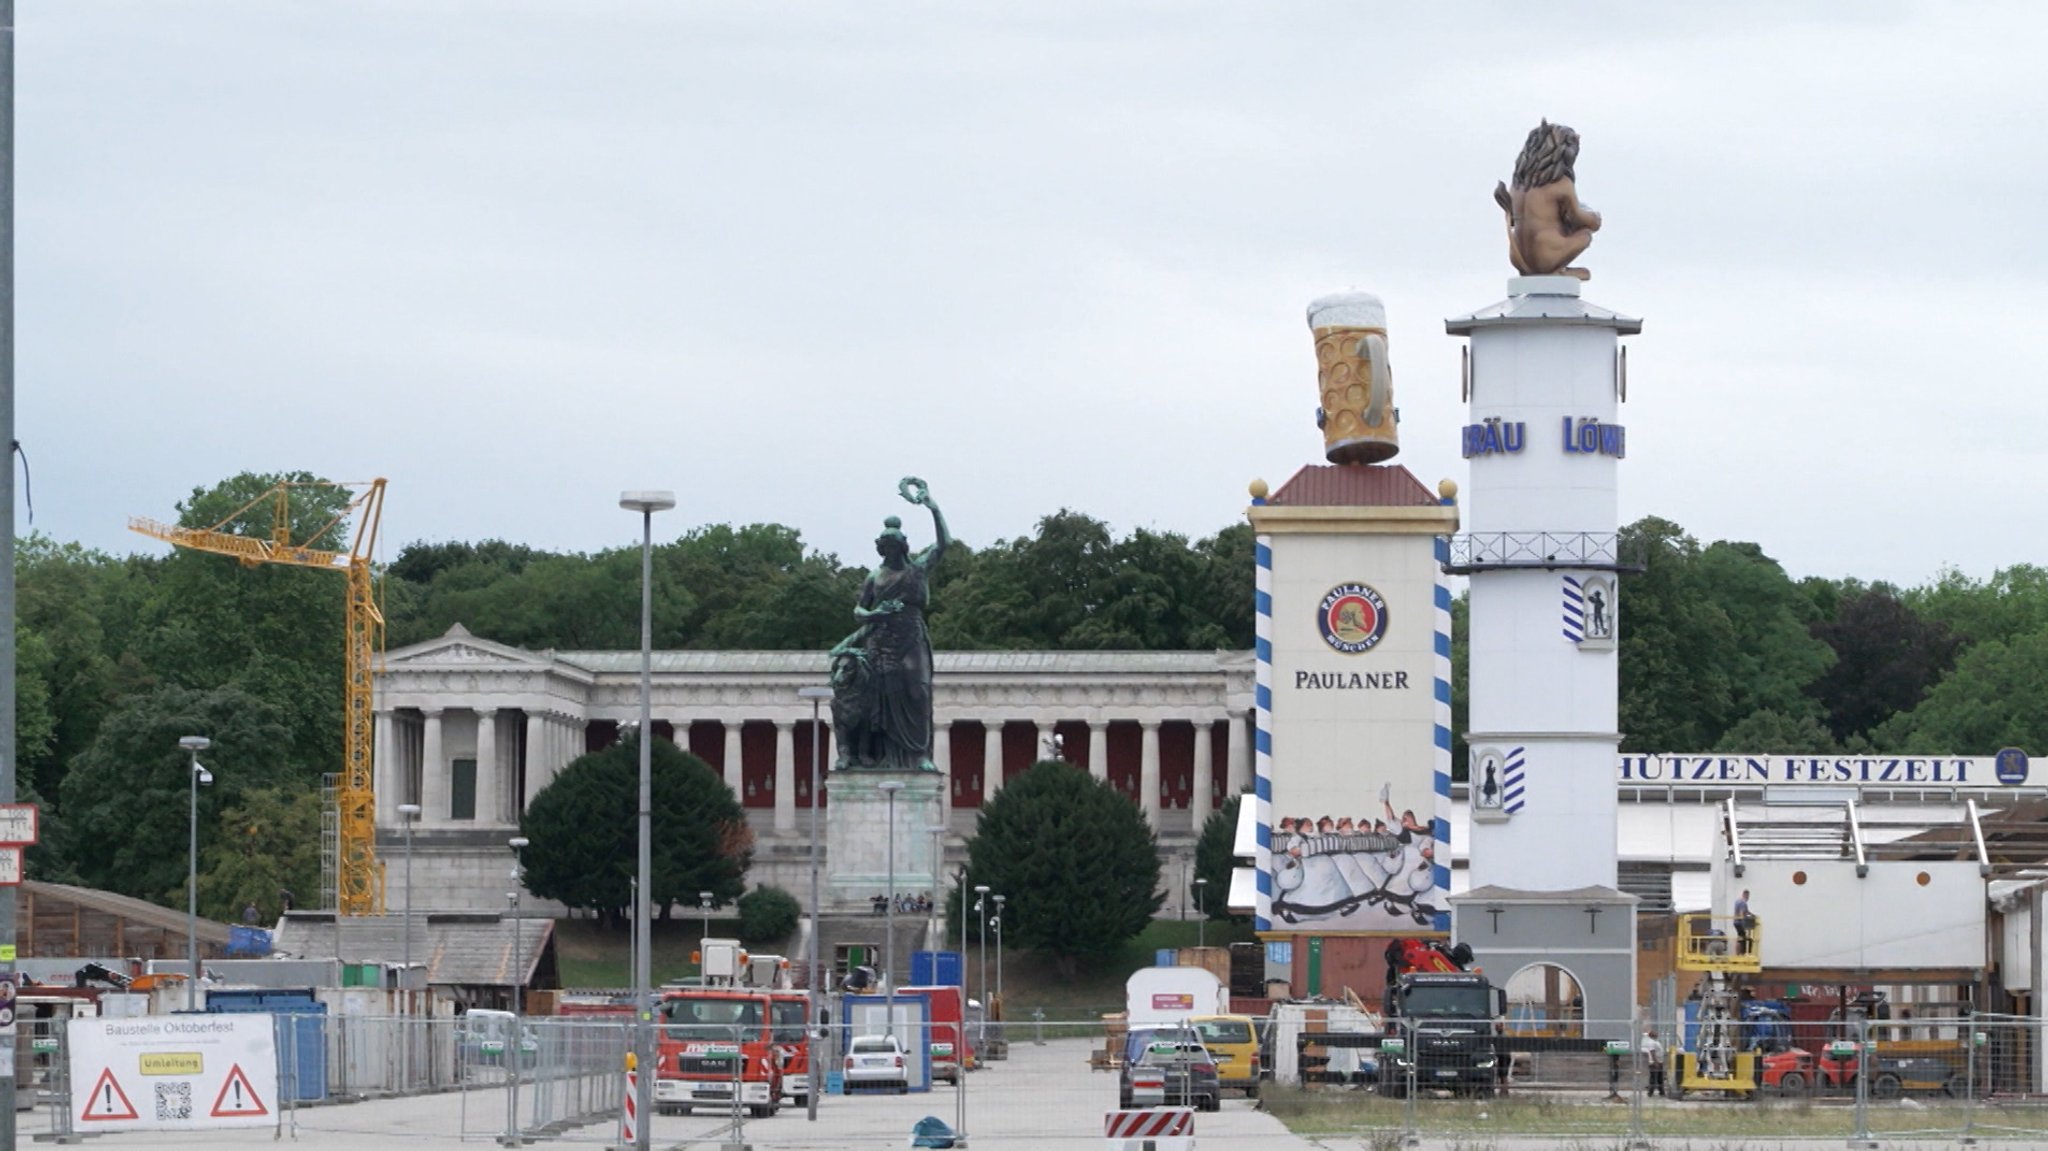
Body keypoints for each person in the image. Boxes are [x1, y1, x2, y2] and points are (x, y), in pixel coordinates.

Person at [830, 478, 951, 772]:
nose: (889, 551)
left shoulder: (918, 569)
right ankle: (884, 757)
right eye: (885, 547)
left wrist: (933, 508)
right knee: (882, 699)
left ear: (902, 546)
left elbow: (944, 543)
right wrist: (875, 614)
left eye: (893, 546)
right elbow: (859, 609)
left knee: (919, 691)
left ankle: (919, 754)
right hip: (882, 640)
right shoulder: (875, 577)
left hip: (911, 635)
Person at [1642, 1030, 1666, 1096]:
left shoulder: (1655, 1041)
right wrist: (1656, 1062)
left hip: (1659, 1062)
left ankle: (1661, 1092)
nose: (1657, 1034)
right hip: (1654, 1063)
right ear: (1652, 1035)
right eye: (1655, 1033)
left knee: (1660, 1078)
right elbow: (1652, 1052)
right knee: (1653, 1078)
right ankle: (1650, 1092)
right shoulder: (1651, 1042)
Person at [1734, 889, 1754, 954]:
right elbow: (1741, 913)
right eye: (1748, 896)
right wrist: (1743, 920)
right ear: (1746, 895)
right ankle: (1740, 953)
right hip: (1739, 922)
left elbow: (1746, 911)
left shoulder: (1737, 901)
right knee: (1742, 938)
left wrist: (1752, 914)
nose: (1748, 898)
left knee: (1740, 937)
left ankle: (1738, 953)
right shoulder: (1743, 902)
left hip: (1736, 922)